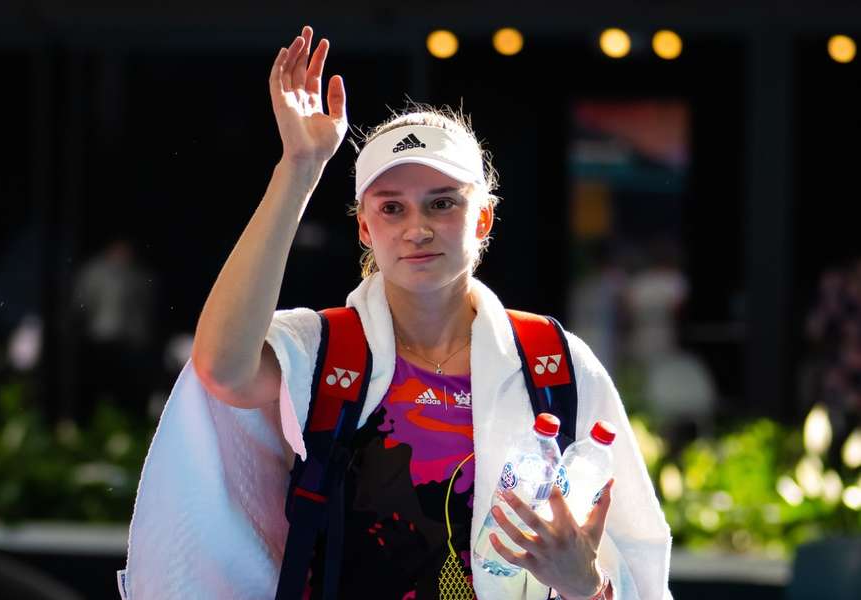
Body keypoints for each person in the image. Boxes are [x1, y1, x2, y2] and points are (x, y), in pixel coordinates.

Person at [123, 26, 672, 600]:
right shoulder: (323, 348)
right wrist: (300, 167)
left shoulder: (553, 363)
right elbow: (221, 369)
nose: (418, 228)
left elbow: (639, 580)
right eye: (391, 208)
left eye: (442, 203)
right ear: (365, 227)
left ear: (482, 220)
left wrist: (586, 584)